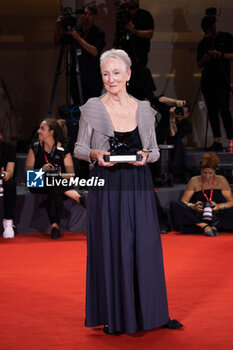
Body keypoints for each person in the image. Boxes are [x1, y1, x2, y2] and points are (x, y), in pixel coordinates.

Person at [74, 49, 182, 334]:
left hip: (137, 184)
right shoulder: (92, 107)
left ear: (128, 74)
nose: (111, 79)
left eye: (116, 73)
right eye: (106, 73)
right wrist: (95, 152)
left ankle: (151, 313)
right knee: (110, 245)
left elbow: (156, 152)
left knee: (144, 246)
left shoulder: (144, 109)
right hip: (105, 186)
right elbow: (79, 149)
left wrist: (147, 155)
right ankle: (115, 314)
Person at [25, 119, 85, 239]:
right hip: (38, 183)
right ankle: (79, 198)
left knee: (54, 186)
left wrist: (59, 175)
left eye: (42, 129)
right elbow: (28, 174)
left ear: (51, 132)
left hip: (57, 185)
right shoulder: (35, 148)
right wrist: (41, 170)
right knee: (50, 176)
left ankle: (54, 227)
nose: (38, 131)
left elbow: (71, 174)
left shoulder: (63, 149)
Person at [170, 152, 233, 236]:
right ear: (200, 171)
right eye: (204, 173)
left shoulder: (221, 180)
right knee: (175, 204)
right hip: (199, 216)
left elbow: (231, 201)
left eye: (210, 173)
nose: (207, 176)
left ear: (215, 171)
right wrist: (193, 206)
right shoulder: (194, 180)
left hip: (217, 215)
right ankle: (204, 226)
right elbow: (184, 202)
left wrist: (219, 206)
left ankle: (214, 226)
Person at [55, 4, 106, 105]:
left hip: (92, 76)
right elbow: (58, 41)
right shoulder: (76, 29)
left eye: (90, 14)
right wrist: (58, 26)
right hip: (76, 75)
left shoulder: (98, 32)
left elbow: (94, 52)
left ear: (94, 16)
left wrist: (78, 38)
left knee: (92, 107)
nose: (87, 16)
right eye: (85, 14)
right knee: (77, 106)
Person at [197, 15, 233, 152]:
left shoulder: (226, 38)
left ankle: (231, 139)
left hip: (222, 81)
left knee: (224, 110)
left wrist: (220, 54)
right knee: (212, 111)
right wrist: (207, 57)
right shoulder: (203, 43)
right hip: (208, 82)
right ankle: (217, 139)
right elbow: (199, 64)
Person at [115, 0, 155, 100]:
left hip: (139, 55)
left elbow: (150, 34)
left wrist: (134, 31)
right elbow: (117, 36)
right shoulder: (122, 17)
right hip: (125, 56)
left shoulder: (144, 15)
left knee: (139, 86)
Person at [154, 96, 192, 182]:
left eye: (184, 112)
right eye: (179, 111)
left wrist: (172, 118)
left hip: (174, 148)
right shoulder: (169, 111)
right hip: (158, 142)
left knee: (179, 143)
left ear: (188, 114)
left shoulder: (187, 125)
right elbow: (156, 100)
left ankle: (177, 174)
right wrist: (174, 102)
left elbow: (174, 136)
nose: (180, 114)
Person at [0, 124, 17, 239]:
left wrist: (7, 174)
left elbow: (10, 170)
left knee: (10, 184)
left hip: (2, 178)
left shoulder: (8, 147)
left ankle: (8, 221)